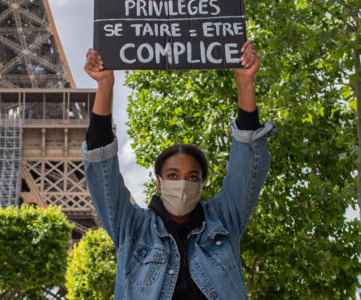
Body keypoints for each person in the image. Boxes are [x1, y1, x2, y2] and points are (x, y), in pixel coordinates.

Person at [82, 40, 274, 300]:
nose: (183, 184)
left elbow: (249, 162)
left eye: (192, 176)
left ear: (202, 182)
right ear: (159, 182)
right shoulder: (131, 227)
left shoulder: (224, 220)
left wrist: (245, 83)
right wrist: (105, 85)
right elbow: (101, 166)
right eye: (173, 175)